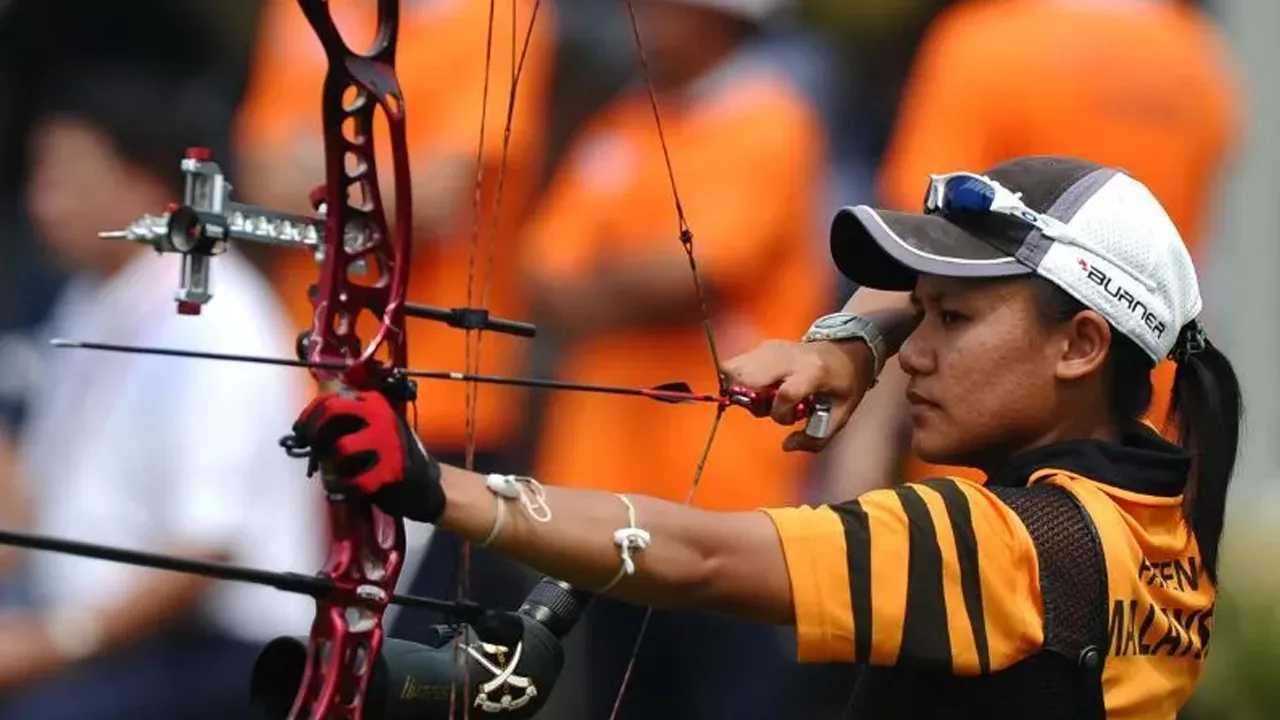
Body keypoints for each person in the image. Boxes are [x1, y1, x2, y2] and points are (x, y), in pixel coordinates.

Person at [291, 156, 1241, 719]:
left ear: (1081, 344)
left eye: (951, 322)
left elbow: (704, 558)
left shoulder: (1010, 548)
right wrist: (854, 341)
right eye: (924, 316)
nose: (919, 354)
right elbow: (1049, 273)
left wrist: (436, 489)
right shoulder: (1159, 523)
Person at [518, 0, 830, 716]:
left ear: (720, 21)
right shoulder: (624, 122)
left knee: (728, 695)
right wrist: (632, 286)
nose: (648, 22)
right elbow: (540, 271)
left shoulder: (769, 120)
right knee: (622, 700)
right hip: (609, 490)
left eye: (667, 9)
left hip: (722, 493)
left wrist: (603, 284)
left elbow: (698, 274)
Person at [0, 66, 324, 720]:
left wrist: (55, 644)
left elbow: (208, 548)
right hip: (93, 621)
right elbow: (31, 498)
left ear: (143, 181)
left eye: (65, 177)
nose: (41, 203)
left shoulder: (214, 316)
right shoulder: (95, 295)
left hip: (215, 651)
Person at [235, 0, 557, 639]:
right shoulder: (300, 9)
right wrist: (369, 178)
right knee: (296, 644)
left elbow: (435, 198)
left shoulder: (502, 12)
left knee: (412, 660)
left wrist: (312, 169)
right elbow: (257, 174)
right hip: (300, 392)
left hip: (435, 406)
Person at [829, 0, 1243, 495]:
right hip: (1146, 458)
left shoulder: (983, 45)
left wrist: (857, 456)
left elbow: (916, 260)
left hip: (990, 475)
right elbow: (1195, 275)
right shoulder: (1198, 56)